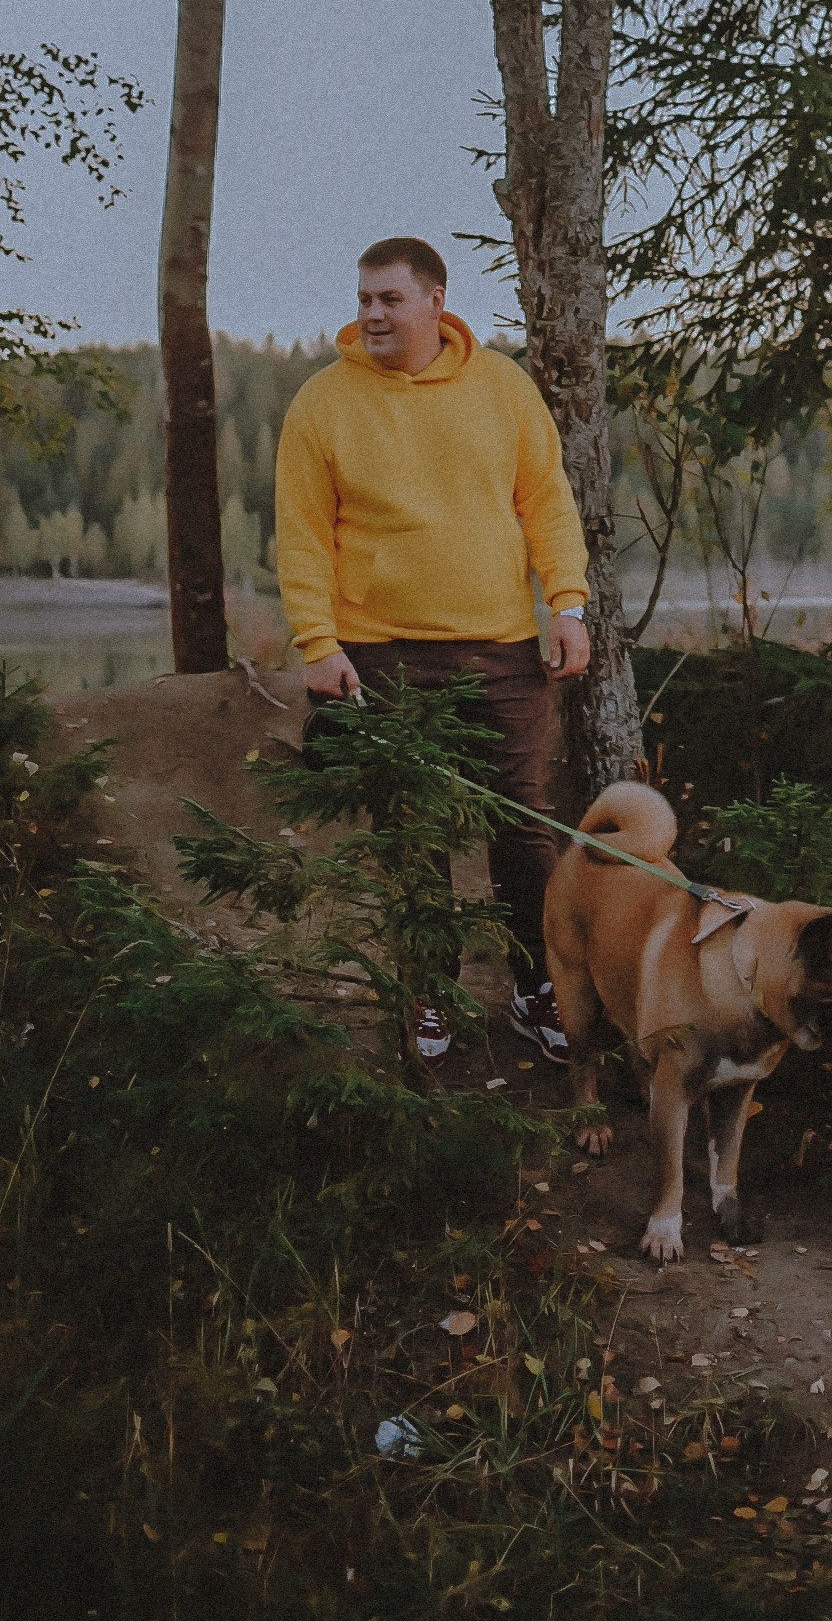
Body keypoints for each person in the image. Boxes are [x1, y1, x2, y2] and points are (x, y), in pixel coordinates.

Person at [274, 236, 593, 1061]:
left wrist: (567, 602)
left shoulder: (503, 389)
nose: (372, 314)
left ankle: (534, 988)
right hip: (381, 652)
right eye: (364, 298)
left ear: (435, 302)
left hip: (503, 647)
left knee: (523, 831)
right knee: (413, 832)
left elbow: (547, 502)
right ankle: (430, 997)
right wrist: (318, 642)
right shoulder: (323, 403)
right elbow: (302, 536)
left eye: (390, 299)